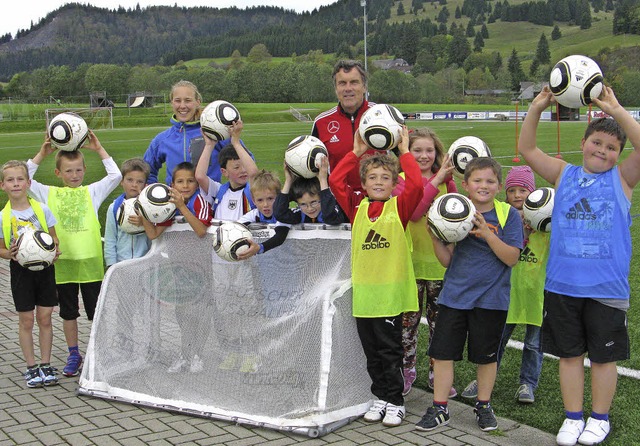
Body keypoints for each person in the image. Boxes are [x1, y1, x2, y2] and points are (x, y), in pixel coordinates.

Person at [517, 85, 640, 446]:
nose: (602, 151)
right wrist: (538, 107)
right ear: (584, 141)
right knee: (569, 356)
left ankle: (599, 418)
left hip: (606, 288)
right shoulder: (563, 173)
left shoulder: (622, 179)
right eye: (597, 143)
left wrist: (617, 110)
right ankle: (573, 417)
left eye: (612, 148)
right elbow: (526, 149)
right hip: (562, 286)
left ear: (619, 155)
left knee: (603, 359)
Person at [415, 157, 523, 434]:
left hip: (491, 300)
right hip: (454, 297)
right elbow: (447, 262)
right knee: (442, 354)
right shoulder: (456, 210)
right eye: (477, 180)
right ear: (466, 184)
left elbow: (511, 258)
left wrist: (487, 234)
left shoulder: (507, 215)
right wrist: (436, 237)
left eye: (490, 181)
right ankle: (440, 407)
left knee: (486, 357)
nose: (483, 186)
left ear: (499, 186)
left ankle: (483, 405)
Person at [329, 126, 423, 428]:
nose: (379, 182)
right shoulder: (357, 208)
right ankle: (379, 396)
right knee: (371, 353)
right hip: (365, 295)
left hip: (390, 296)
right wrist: (355, 153)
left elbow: (417, 186)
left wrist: (405, 152)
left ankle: (396, 401)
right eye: (372, 178)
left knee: (390, 351)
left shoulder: (400, 207)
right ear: (364, 184)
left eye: (385, 177)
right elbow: (334, 181)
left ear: (394, 183)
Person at [27, 132, 122, 377]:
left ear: (85, 170)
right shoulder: (48, 193)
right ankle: (74, 354)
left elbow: (116, 176)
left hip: (90, 262)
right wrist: (42, 154)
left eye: (78, 170)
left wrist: (99, 148)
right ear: (58, 173)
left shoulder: (92, 192)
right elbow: (24, 179)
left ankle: (98, 352)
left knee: (95, 312)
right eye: (68, 171)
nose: (74, 175)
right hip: (63, 264)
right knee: (69, 313)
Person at [461, 165, 548, 404]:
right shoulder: (503, 218)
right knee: (496, 339)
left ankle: (527, 383)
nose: (518, 195)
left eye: (523, 190)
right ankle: (484, 380)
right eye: (512, 190)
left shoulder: (544, 222)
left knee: (533, 343)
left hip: (536, 293)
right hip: (505, 291)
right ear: (504, 193)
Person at [391, 128, 457, 397]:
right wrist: (438, 178)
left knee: (439, 326)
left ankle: (436, 373)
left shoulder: (448, 181)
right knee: (407, 325)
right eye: (417, 150)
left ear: (437, 152)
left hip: (441, 267)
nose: (424, 155)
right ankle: (407, 371)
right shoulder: (400, 180)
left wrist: (443, 179)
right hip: (410, 267)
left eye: (429, 150)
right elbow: (415, 214)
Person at [140, 161, 213, 373]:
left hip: (202, 268)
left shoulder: (200, 201)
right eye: (180, 181)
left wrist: (182, 206)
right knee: (183, 314)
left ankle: (198, 353)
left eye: (190, 181)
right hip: (179, 269)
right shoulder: (168, 206)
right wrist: (144, 213)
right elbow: (153, 234)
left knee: (200, 313)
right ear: (172, 184)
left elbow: (200, 231)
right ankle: (185, 353)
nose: (185, 185)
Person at [0, 160, 60, 388]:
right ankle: (31, 367)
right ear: (2, 185)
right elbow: (1, 249)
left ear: (28, 182)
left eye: (20, 179)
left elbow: (54, 239)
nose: (16, 184)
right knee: (26, 320)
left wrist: (54, 250)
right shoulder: (3, 217)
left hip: (45, 271)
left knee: (45, 318)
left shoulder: (42, 210)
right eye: (10, 180)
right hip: (20, 273)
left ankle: (46, 364)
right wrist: (9, 253)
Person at [143, 80, 243, 185]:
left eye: (187, 100)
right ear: (172, 103)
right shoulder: (162, 139)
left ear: (197, 102)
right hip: (176, 200)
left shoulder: (216, 133)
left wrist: (229, 191)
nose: (182, 106)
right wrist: (155, 193)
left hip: (209, 200)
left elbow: (246, 163)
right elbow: (146, 172)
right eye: (177, 100)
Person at [312, 59, 375, 192]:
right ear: (336, 89)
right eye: (342, 83)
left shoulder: (382, 116)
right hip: (338, 203)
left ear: (364, 86)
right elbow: (313, 169)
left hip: (378, 202)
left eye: (354, 82)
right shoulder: (321, 123)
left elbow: (405, 157)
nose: (348, 88)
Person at [195, 120, 259, 220]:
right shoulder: (218, 190)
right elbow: (200, 176)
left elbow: (254, 173)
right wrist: (209, 145)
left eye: (245, 166)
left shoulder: (253, 190)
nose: (243, 170)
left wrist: (236, 143)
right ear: (224, 172)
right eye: (236, 167)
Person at [104, 158, 152, 268]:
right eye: (130, 180)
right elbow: (110, 239)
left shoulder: (150, 207)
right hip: (121, 264)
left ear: (145, 185)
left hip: (145, 263)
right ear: (122, 181)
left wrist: (144, 223)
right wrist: (111, 264)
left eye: (139, 181)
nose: (134, 185)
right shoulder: (114, 208)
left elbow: (155, 237)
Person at [274, 156, 346, 225]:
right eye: (303, 204)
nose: (310, 208)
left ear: (323, 198)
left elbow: (330, 218)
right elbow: (279, 214)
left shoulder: (335, 210)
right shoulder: (301, 215)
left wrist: (323, 180)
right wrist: (288, 181)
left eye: (313, 202)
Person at [236, 170, 290, 259]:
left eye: (270, 198)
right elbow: (236, 226)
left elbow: (280, 237)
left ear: (279, 197)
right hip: (265, 262)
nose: (265, 205)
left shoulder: (285, 214)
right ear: (253, 200)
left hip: (287, 260)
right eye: (260, 200)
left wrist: (259, 248)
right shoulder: (255, 214)